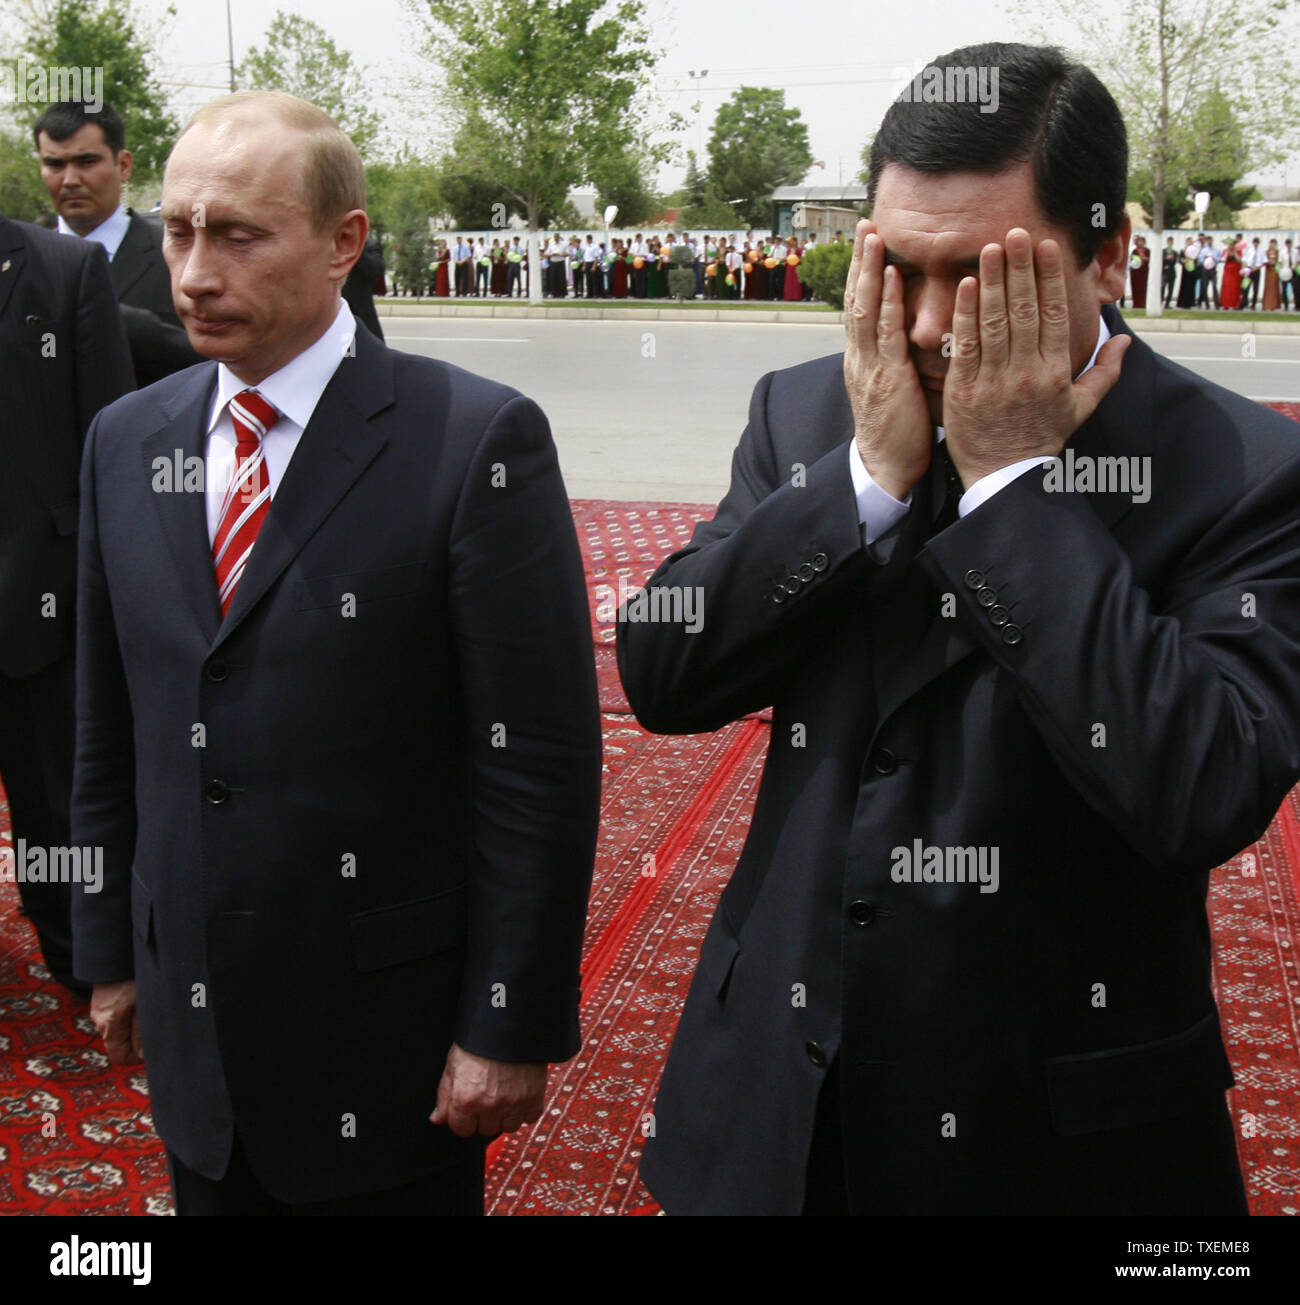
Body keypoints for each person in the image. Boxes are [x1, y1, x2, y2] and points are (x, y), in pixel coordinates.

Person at [618, 41, 1300, 1216]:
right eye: (899, 268)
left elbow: (1199, 788)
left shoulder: (1241, 468)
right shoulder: (805, 410)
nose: (928, 326)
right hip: (782, 1105)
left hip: (1053, 1130)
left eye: (980, 277)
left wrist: (1013, 490)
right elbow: (663, 671)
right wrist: (861, 484)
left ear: (1106, 257)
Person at [70, 90, 601, 1216]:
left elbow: (536, 762)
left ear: (343, 244)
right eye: (176, 231)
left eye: (240, 236)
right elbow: (107, 720)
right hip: (195, 1029)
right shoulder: (127, 439)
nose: (194, 273)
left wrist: (506, 1020)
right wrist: (111, 946)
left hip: (385, 1041)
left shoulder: (471, 441)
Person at [0, 213, 134, 1000]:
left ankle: (89, 967)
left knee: (58, 811)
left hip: (39, 606)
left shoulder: (62, 268)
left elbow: (111, 435)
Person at [34, 100, 202, 387]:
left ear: (123, 165)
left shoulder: (181, 257)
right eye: (55, 164)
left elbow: (213, 364)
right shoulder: (20, 264)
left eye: (87, 162)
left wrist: (126, 325)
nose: (70, 180)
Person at [1160, 235, 1177, 308]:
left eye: (1171, 241)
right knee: (1163, 287)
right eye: (1169, 241)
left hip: (1172, 272)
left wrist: (1171, 259)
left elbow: (1174, 261)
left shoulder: (1175, 252)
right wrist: (1167, 258)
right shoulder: (1163, 251)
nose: (1170, 243)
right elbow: (1162, 260)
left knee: (1170, 289)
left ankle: (1167, 304)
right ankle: (1160, 302)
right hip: (1165, 272)